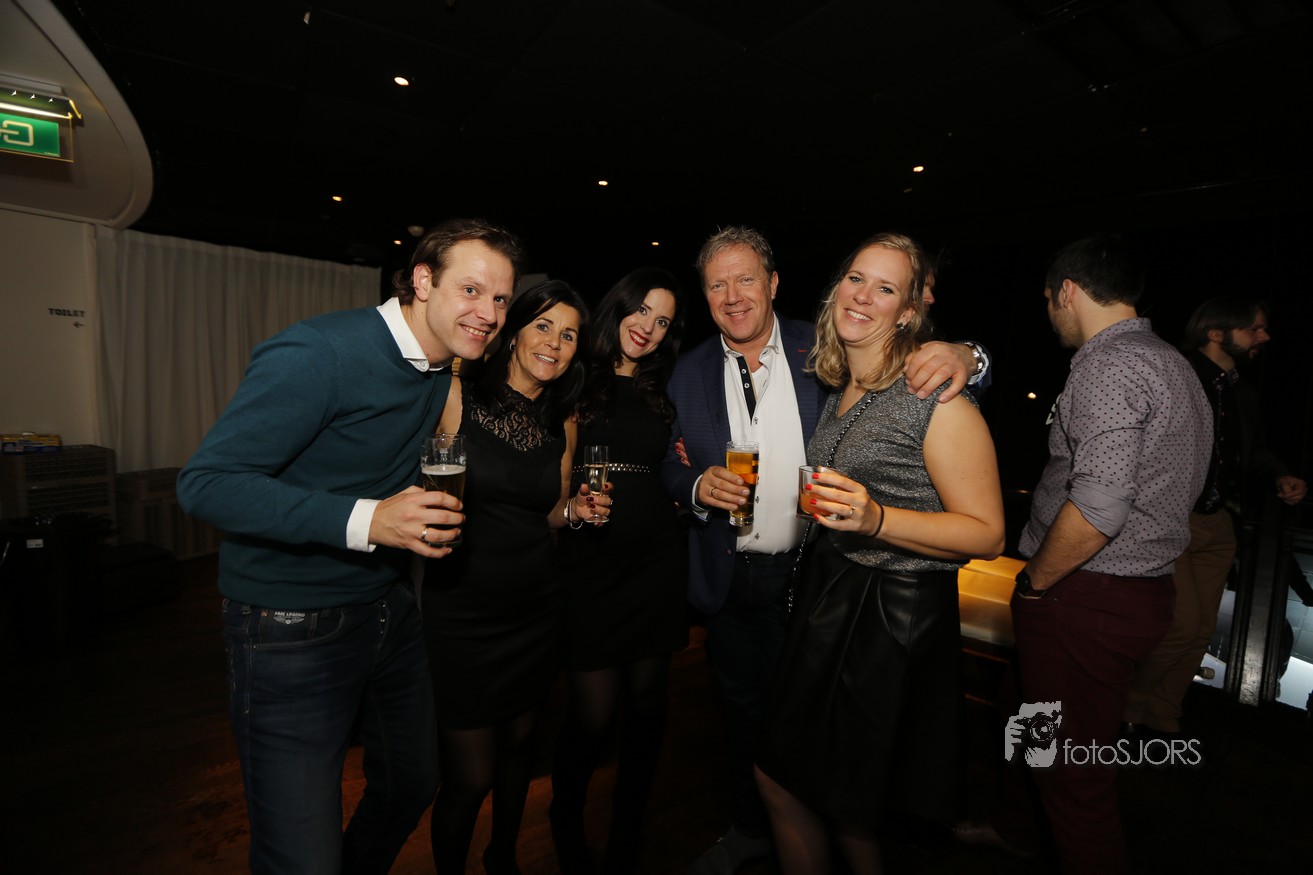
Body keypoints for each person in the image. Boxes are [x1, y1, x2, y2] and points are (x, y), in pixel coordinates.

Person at [176, 218, 523, 875]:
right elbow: (206, 484)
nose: (489, 313)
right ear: (423, 280)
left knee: (413, 783)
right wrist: (370, 520)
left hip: (384, 609)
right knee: (300, 856)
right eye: (472, 290)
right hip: (288, 627)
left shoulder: (439, 367)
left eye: (501, 299)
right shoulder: (319, 351)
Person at [660, 226, 985, 874]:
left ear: (774, 283)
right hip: (729, 579)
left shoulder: (827, 346)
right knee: (747, 721)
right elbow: (667, 460)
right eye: (717, 284)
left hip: (815, 581)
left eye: (745, 278)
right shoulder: (686, 370)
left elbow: (920, 377)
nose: (733, 296)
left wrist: (970, 355)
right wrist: (694, 485)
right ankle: (750, 828)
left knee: (827, 747)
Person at [754, 231, 1005, 874]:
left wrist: (878, 519)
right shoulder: (842, 385)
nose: (863, 296)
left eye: (886, 288)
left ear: (910, 310)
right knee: (792, 782)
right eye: (856, 278)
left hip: (891, 617)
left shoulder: (935, 399)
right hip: (830, 594)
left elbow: (988, 534)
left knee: (848, 805)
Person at [974, 234, 1212, 875]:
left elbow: (1100, 506)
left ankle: (1039, 832)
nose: (1050, 313)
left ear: (1068, 293)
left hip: (1085, 594)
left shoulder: (1108, 365)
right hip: (1137, 591)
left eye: (1048, 300)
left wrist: (1036, 584)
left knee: (1074, 778)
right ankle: (1017, 828)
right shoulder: (1173, 363)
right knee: (1024, 713)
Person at [422, 280, 605, 875]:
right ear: (515, 330)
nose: (554, 342)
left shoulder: (562, 420)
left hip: (535, 608)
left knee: (521, 750)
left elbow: (549, 510)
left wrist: (576, 511)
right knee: (469, 776)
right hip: (463, 608)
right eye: (543, 325)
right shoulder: (458, 393)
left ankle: (503, 857)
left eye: (569, 334)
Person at [550, 267, 688, 874]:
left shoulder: (665, 387)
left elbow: (680, 462)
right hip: (593, 561)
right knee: (593, 714)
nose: (648, 328)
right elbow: (554, 483)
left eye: (663, 322)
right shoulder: (575, 374)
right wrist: (569, 509)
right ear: (619, 307)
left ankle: (628, 830)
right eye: (642, 311)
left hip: (657, 560)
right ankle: (565, 816)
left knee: (648, 708)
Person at [1124, 296, 1306, 735]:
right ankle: (1128, 708)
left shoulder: (1242, 392)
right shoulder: (1176, 376)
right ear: (1216, 332)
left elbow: (1251, 450)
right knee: (1182, 626)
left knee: (1202, 629)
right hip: (1173, 520)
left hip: (1220, 524)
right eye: (1253, 328)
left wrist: (1281, 474)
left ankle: (1164, 719)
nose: (1264, 336)